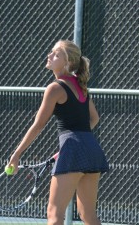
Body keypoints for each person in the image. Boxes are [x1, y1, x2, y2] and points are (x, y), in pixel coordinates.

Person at [7, 39, 109, 225]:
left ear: (68, 62)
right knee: (88, 215)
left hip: (74, 150)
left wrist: (16, 154)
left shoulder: (54, 88)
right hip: (93, 150)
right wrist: (77, 142)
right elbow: (94, 119)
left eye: (56, 54)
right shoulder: (81, 86)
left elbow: (38, 125)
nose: (49, 55)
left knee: (54, 215)